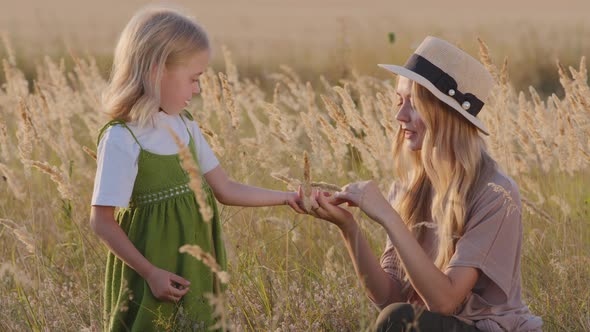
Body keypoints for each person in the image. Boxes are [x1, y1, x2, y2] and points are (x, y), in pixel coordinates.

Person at [89, 6, 305, 331]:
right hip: (151, 279)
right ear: (157, 69)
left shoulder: (186, 127)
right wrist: (150, 273)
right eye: (193, 79)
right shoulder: (123, 138)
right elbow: (101, 221)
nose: (198, 90)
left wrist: (288, 197)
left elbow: (227, 189)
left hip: (194, 273)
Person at [306, 36, 543, 331]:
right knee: (396, 315)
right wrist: (348, 227)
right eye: (398, 101)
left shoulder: (495, 193)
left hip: (481, 328)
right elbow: (389, 296)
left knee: (399, 320)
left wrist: (388, 217)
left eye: (414, 104)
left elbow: (445, 303)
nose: (399, 116)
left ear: (447, 115)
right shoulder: (409, 187)